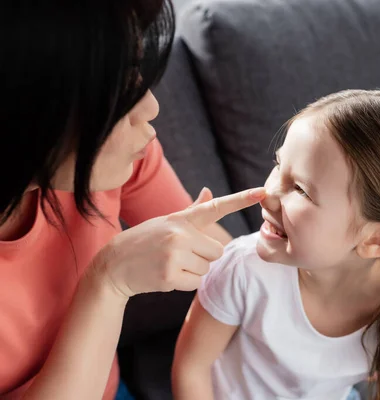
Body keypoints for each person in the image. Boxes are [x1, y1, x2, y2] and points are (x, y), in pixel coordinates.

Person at [0, 1, 265, 399]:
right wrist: (108, 281)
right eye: (119, 88)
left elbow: (225, 261)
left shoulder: (116, 159)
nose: (151, 108)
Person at [172, 90, 380, 400]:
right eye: (278, 165)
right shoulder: (242, 269)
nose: (268, 193)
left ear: (378, 238)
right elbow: (191, 370)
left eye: (301, 190)